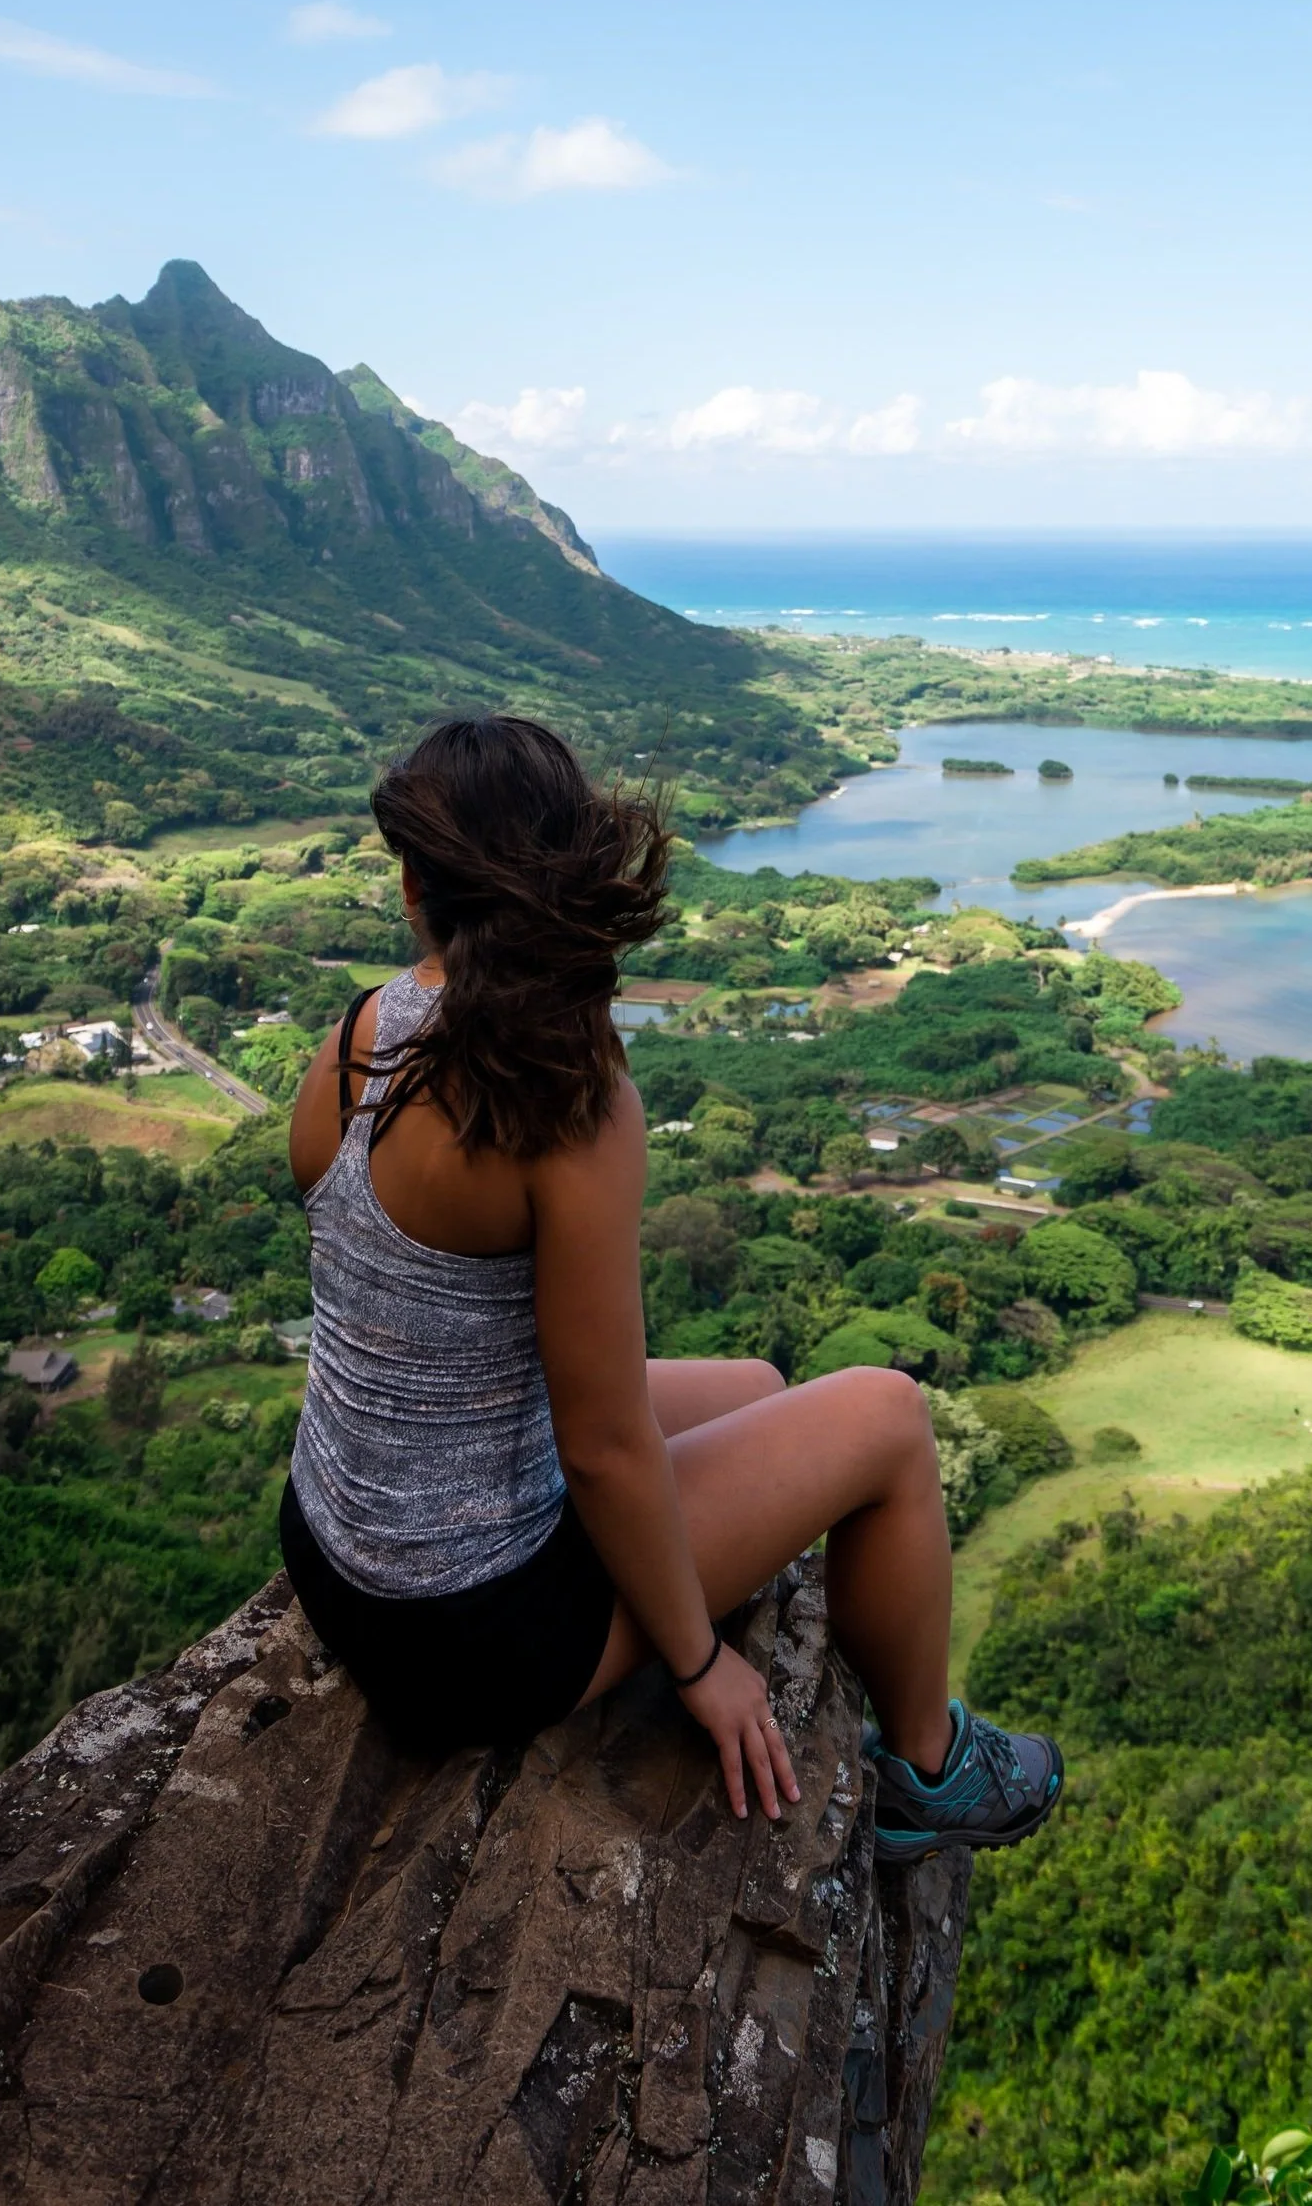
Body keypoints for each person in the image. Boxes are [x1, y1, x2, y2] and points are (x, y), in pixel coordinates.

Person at [279, 712, 1063, 1858]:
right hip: (469, 1631)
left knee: (758, 1381)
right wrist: (700, 1665)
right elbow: (600, 1442)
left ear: (413, 890)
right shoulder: (566, 1090)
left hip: (330, 1553)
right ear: (569, 869)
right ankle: (925, 1776)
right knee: (889, 1419)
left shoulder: (358, 1035)